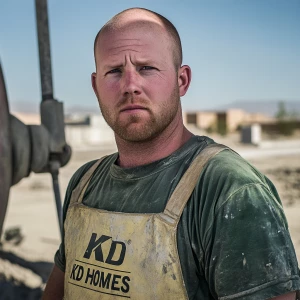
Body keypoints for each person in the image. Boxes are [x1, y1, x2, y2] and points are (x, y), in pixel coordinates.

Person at [43, 8, 300, 300]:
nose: (130, 86)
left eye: (146, 68)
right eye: (114, 71)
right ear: (96, 87)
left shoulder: (229, 190)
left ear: (181, 81)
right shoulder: (84, 184)